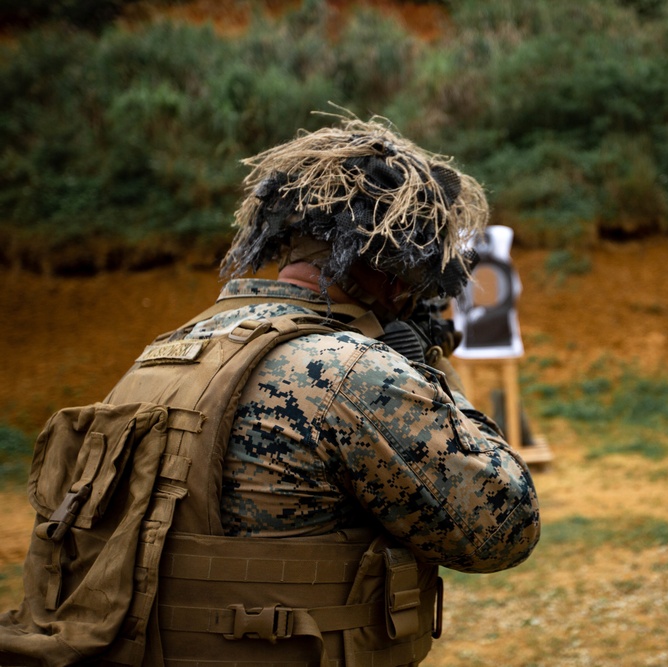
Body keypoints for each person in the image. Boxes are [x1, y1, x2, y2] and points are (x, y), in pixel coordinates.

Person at [0, 117, 541, 667]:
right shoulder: (352, 371)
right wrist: (428, 370)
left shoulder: (162, 354)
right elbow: (504, 526)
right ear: (397, 272)